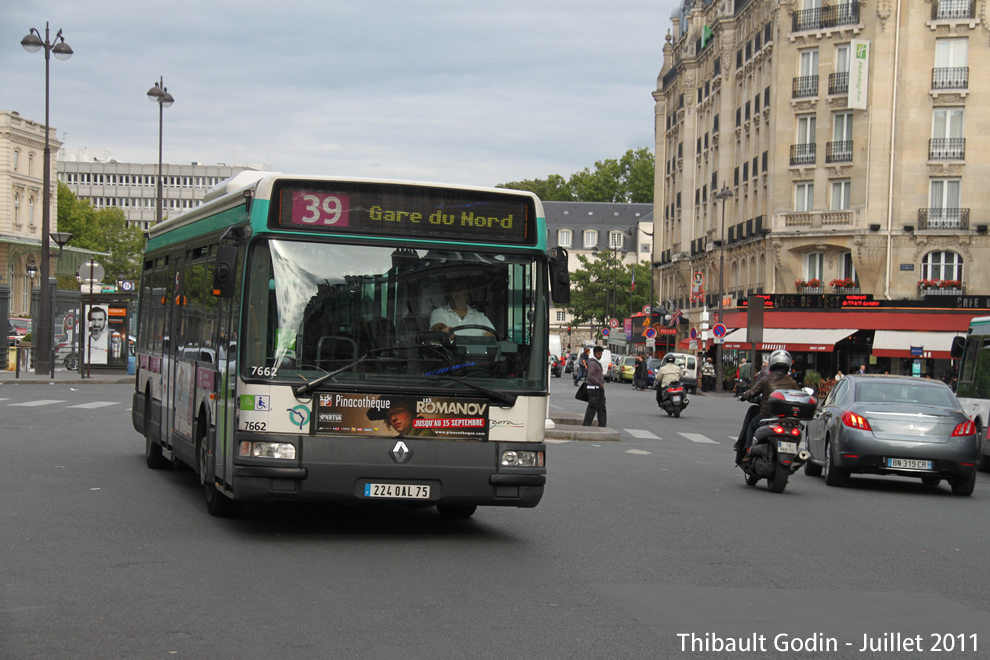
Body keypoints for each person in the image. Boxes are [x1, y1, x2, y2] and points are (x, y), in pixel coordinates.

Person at [738, 349, 800, 458]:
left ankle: (747, 451)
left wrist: (743, 396)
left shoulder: (766, 380)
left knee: (752, 425)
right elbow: (798, 396)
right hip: (787, 419)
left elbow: (752, 393)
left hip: (767, 416)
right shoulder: (792, 382)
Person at [429, 279, 495, 337]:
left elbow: (491, 335)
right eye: (454, 290)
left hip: (477, 351)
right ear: (449, 294)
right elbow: (438, 327)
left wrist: (490, 337)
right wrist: (444, 330)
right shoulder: (439, 312)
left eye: (461, 290)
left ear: (468, 294)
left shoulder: (479, 316)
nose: (458, 293)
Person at [370, 398, 436, 437]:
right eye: (390, 415)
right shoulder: (407, 436)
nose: (393, 418)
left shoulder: (425, 436)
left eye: (399, 411)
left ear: (412, 410)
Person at [582, 345, 607, 427]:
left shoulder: (596, 363)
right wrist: (599, 383)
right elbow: (590, 376)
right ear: (594, 353)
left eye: (601, 354)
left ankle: (602, 425)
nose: (600, 355)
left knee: (601, 408)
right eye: (599, 354)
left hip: (598, 389)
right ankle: (586, 424)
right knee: (592, 407)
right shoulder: (593, 363)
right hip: (594, 389)